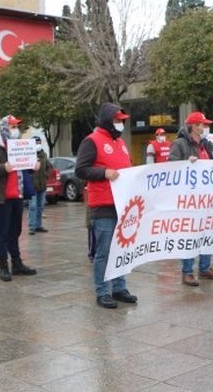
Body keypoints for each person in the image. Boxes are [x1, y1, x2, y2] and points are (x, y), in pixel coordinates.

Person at [75, 102, 138, 308]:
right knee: (104, 251)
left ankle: (120, 288)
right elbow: (81, 170)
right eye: (117, 120)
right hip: (103, 206)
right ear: (107, 120)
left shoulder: (120, 142)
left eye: (122, 121)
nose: (120, 124)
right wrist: (104, 173)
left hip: (123, 206)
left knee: (121, 250)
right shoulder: (91, 141)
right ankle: (103, 291)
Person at [169, 111, 213, 286]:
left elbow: (212, 165)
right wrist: (187, 162)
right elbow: (171, 166)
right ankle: (187, 271)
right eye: (204, 125)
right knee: (190, 234)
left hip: (208, 197)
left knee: (207, 232)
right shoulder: (179, 144)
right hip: (190, 198)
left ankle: (205, 267)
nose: (206, 128)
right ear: (194, 126)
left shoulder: (207, 145)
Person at [0, 115, 38, 281]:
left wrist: (33, 167)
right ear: (3, 127)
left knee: (15, 232)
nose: (15, 130)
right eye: (12, 126)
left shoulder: (21, 145)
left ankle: (17, 263)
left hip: (18, 195)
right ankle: (3, 265)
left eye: (16, 126)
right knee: (1, 233)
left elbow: (23, 168)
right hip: (1, 197)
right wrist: (3, 168)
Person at [28, 136, 53, 234]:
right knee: (33, 206)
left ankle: (38, 225)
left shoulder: (44, 155)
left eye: (39, 142)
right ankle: (32, 226)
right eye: (36, 142)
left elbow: (49, 167)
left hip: (42, 185)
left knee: (40, 206)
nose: (37, 144)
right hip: (33, 185)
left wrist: (46, 175)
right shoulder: (29, 154)